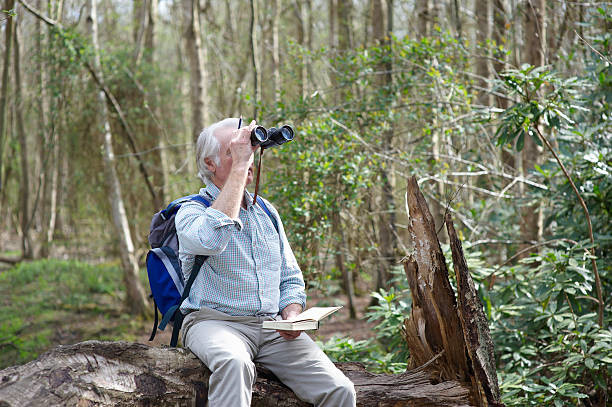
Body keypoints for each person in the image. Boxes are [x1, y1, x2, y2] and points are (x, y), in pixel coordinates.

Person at [175, 117, 356, 406]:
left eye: (248, 150)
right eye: (233, 152)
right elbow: (211, 240)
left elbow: (290, 278)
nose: (246, 158)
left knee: (340, 390)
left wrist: (292, 314)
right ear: (210, 164)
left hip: (271, 329)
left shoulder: (266, 212)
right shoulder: (190, 212)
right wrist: (239, 168)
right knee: (235, 363)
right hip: (213, 323)